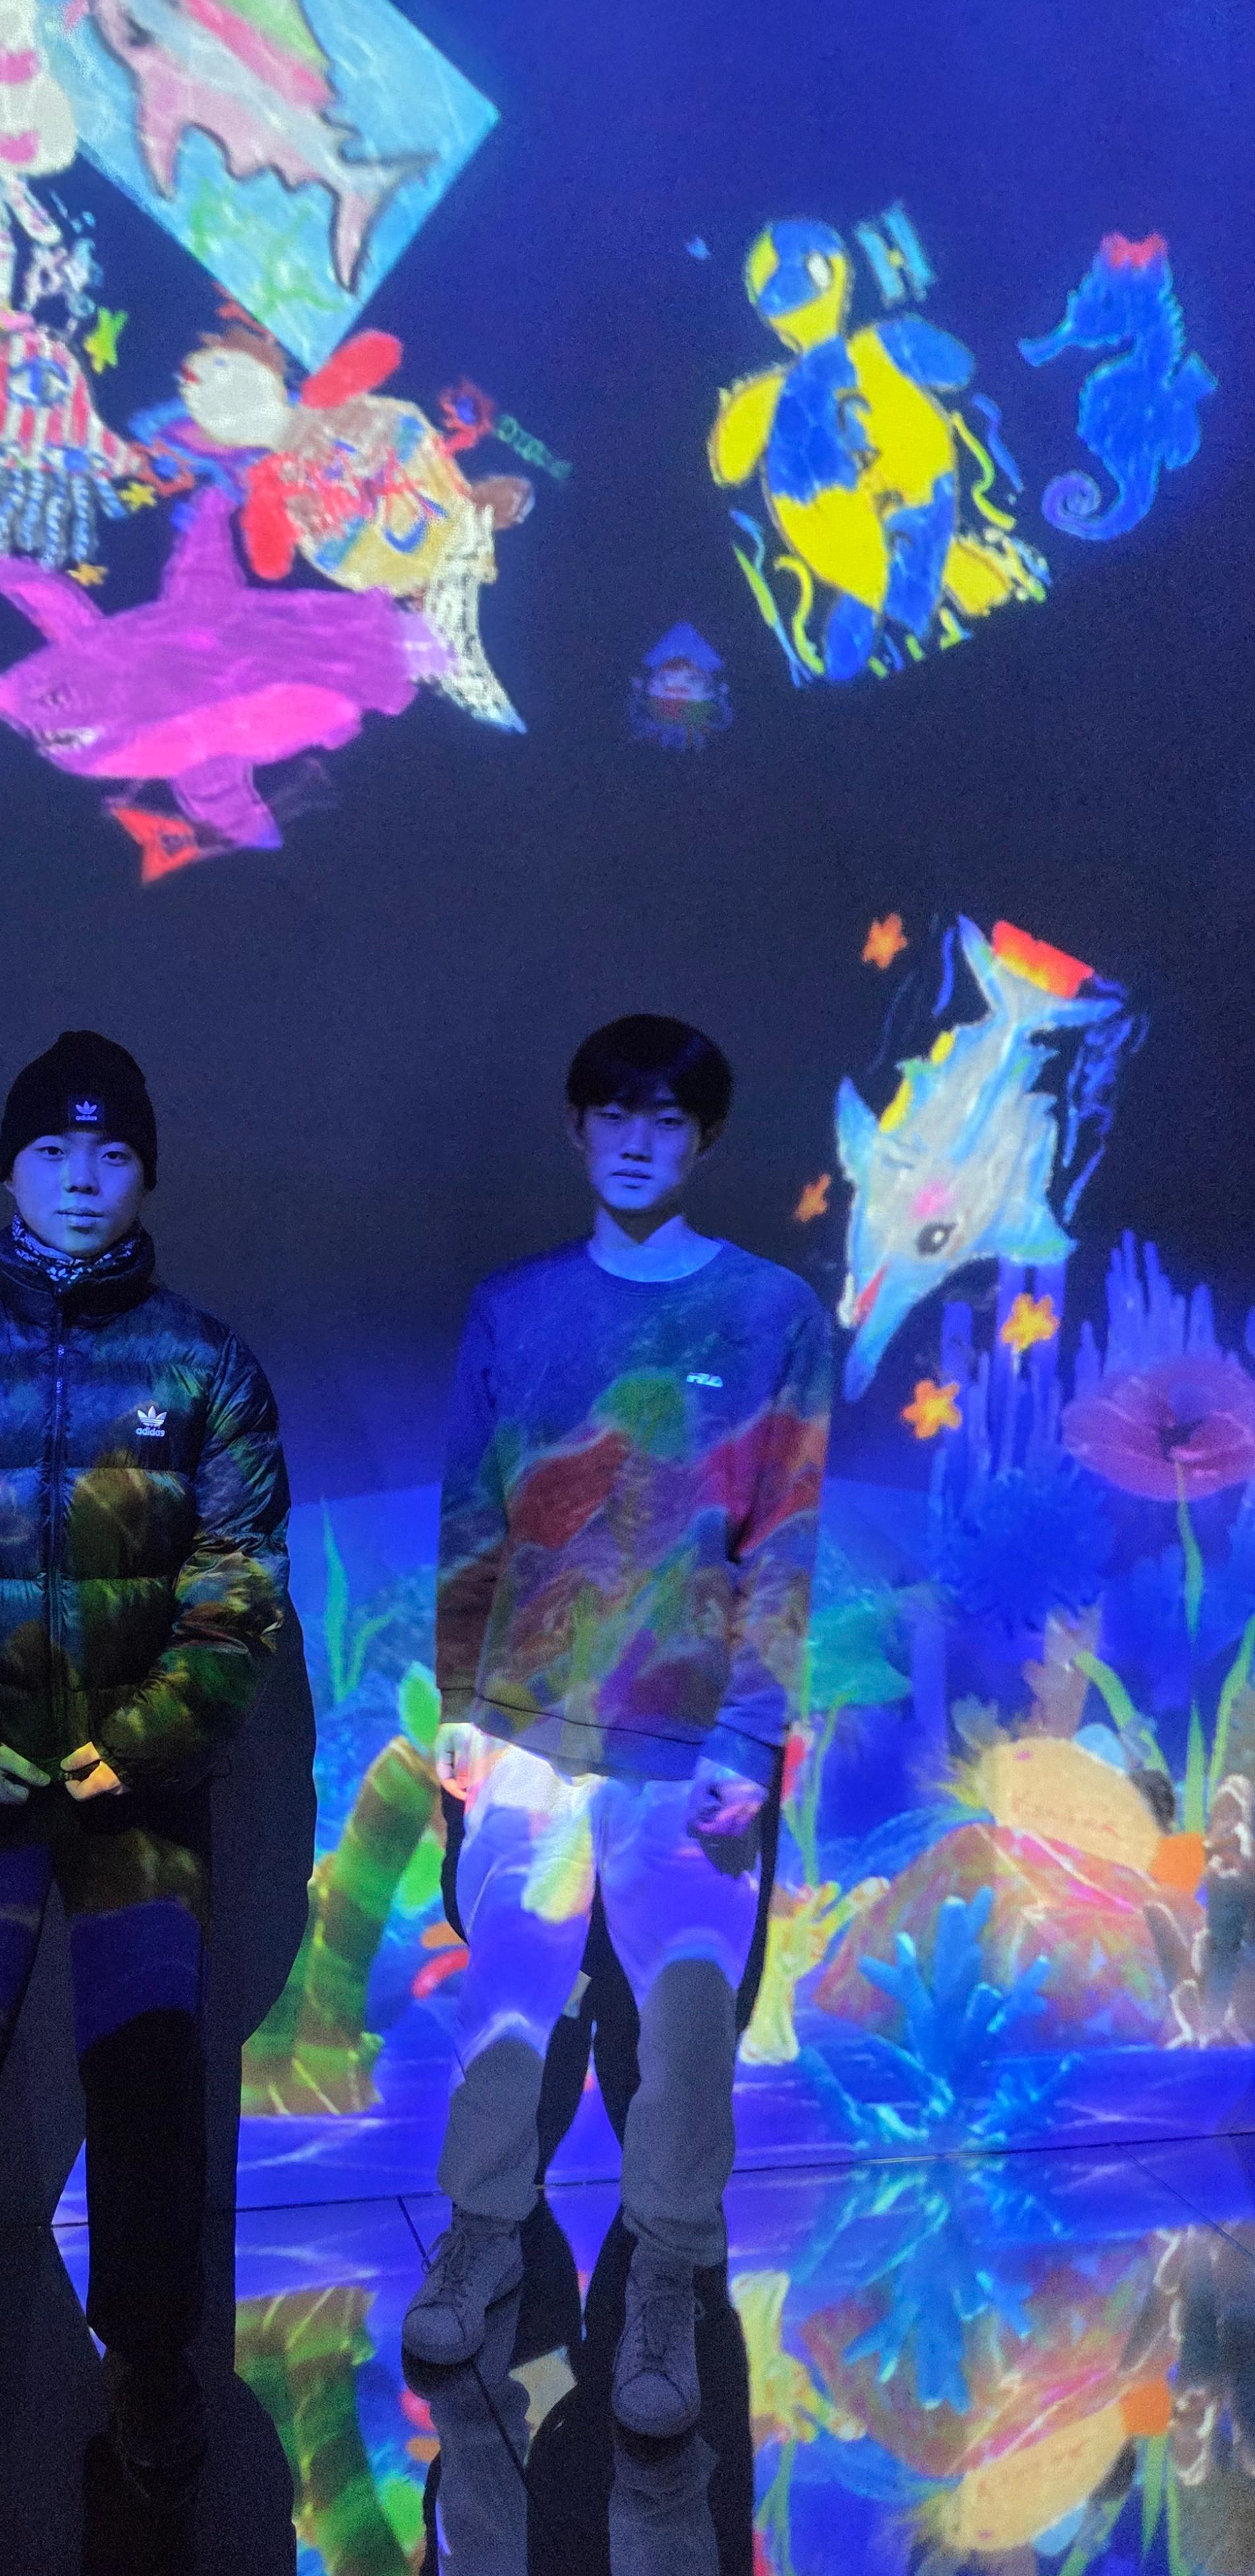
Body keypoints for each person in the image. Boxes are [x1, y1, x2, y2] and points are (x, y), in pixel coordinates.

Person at [0, 1030, 291, 2507]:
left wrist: (142, 1742)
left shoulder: (206, 1364)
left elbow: (236, 1590)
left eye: (112, 1152)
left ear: (145, 1172)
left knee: (149, 2072)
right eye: (52, 1150)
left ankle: (151, 2358)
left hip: (137, 1796)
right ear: (9, 1170)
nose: (82, 1178)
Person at [401, 1014, 831, 2440]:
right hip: (528, 1732)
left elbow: (785, 1542)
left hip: (691, 1745)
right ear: (577, 1126)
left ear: (705, 1141)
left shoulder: (771, 1314)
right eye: (616, 1114)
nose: (639, 1141)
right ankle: (480, 2236)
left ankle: (666, 2280)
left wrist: (749, 1738)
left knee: (687, 2026)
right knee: (509, 2004)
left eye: (669, 1120)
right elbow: (472, 1520)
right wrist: (462, 1709)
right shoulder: (514, 1309)